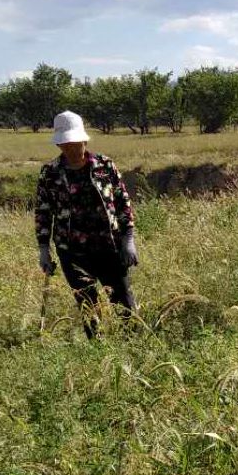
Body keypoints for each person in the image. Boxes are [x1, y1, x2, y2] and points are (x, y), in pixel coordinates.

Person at [35, 110, 139, 338]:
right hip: (72, 252)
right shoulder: (49, 173)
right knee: (87, 304)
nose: (71, 149)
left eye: (75, 143)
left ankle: (132, 344)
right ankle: (97, 350)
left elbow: (123, 202)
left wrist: (128, 238)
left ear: (84, 140)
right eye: (65, 145)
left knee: (123, 301)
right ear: (59, 145)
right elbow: (43, 212)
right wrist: (44, 249)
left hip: (109, 246)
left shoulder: (105, 166)